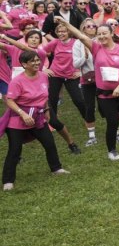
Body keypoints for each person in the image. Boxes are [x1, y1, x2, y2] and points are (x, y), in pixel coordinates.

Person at [56, 17, 119, 160]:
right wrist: (65, 23)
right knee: (112, 121)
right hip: (106, 94)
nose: (101, 36)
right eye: (99, 34)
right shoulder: (96, 48)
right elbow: (80, 35)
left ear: (111, 34)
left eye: (104, 33)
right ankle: (112, 151)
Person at [2, 51, 70, 190]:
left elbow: (44, 96)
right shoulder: (17, 81)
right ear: (24, 64)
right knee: (15, 149)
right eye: (32, 61)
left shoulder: (44, 77)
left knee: (49, 143)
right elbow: (9, 100)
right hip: (18, 119)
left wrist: (46, 111)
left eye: (38, 60)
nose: (36, 63)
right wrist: (22, 114)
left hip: (38, 117)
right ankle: (8, 181)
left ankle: (56, 169)